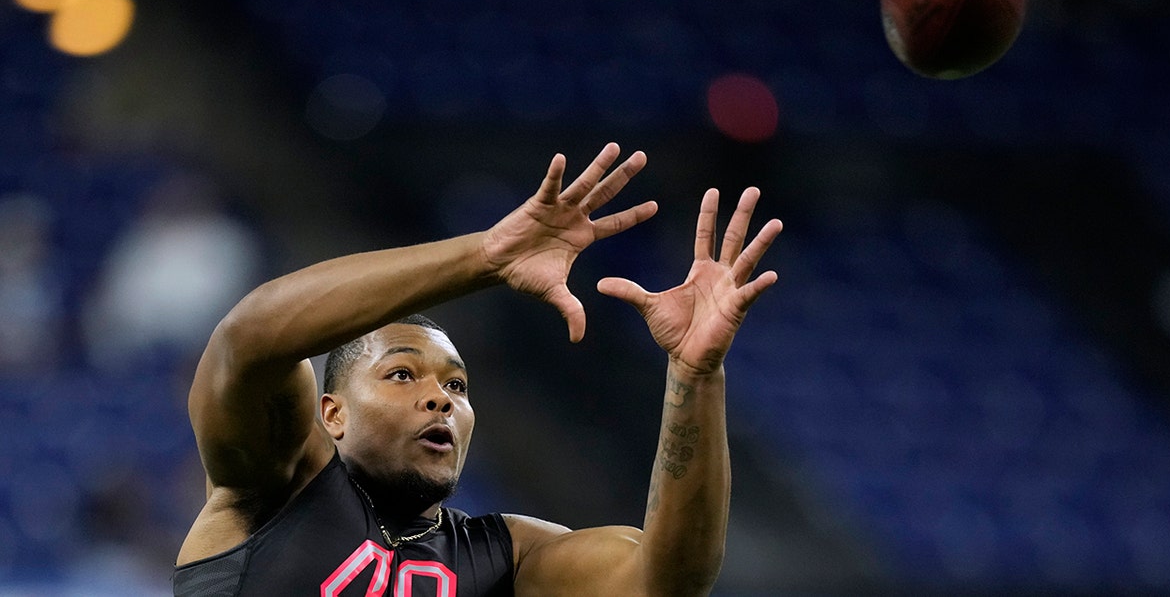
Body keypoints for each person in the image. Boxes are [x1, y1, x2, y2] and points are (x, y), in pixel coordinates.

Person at [174, 143, 782, 596]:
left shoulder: (507, 556)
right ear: (330, 412)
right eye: (402, 374)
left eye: (457, 385)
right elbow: (249, 339)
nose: (441, 399)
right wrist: (487, 255)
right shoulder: (276, 487)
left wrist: (696, 380)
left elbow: (665, 580)